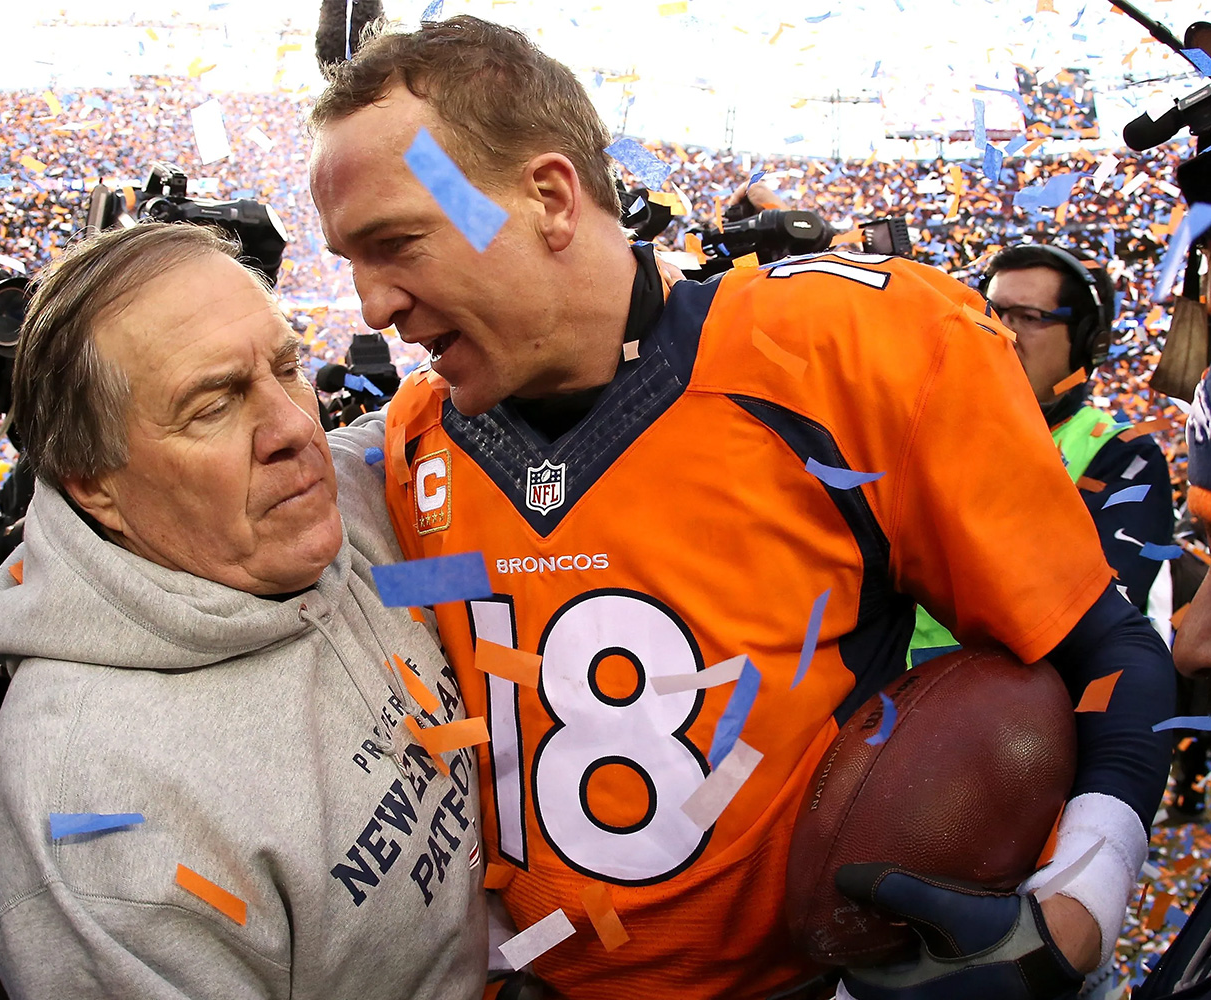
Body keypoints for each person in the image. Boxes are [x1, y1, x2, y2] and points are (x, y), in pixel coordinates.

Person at [307, 16, 1175, 999]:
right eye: (350, 260)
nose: (372, 306)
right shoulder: (412, 441)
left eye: (397, 243)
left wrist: (1070, 920)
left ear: (548, 197)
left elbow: (1107, 653)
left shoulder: (839, 355)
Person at [0, 222, 486, 1000]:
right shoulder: (95, 810)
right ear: (93, 481)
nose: (295, 428)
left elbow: (458, 389)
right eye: (213, 405)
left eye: (287, 368)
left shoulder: (343, 498)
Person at [910, 244, 1175, 663]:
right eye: (991, 313)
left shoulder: (1124, 454)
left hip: (1002, 698)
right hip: (882, 694)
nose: (1000, 332)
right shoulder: (920, 427)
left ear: (1089, 343)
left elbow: (1085, 616)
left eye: (1029, 317)